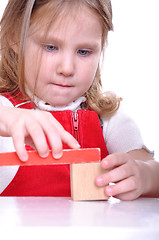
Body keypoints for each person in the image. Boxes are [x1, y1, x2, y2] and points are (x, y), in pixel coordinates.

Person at [0, 0, 158, 200]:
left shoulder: (107, 120)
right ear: (15, 38)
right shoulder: (5, 110)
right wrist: (6, 118)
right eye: (51, 47)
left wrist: (145, 176)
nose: (67, 68)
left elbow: (152, 170)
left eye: (84, 52)